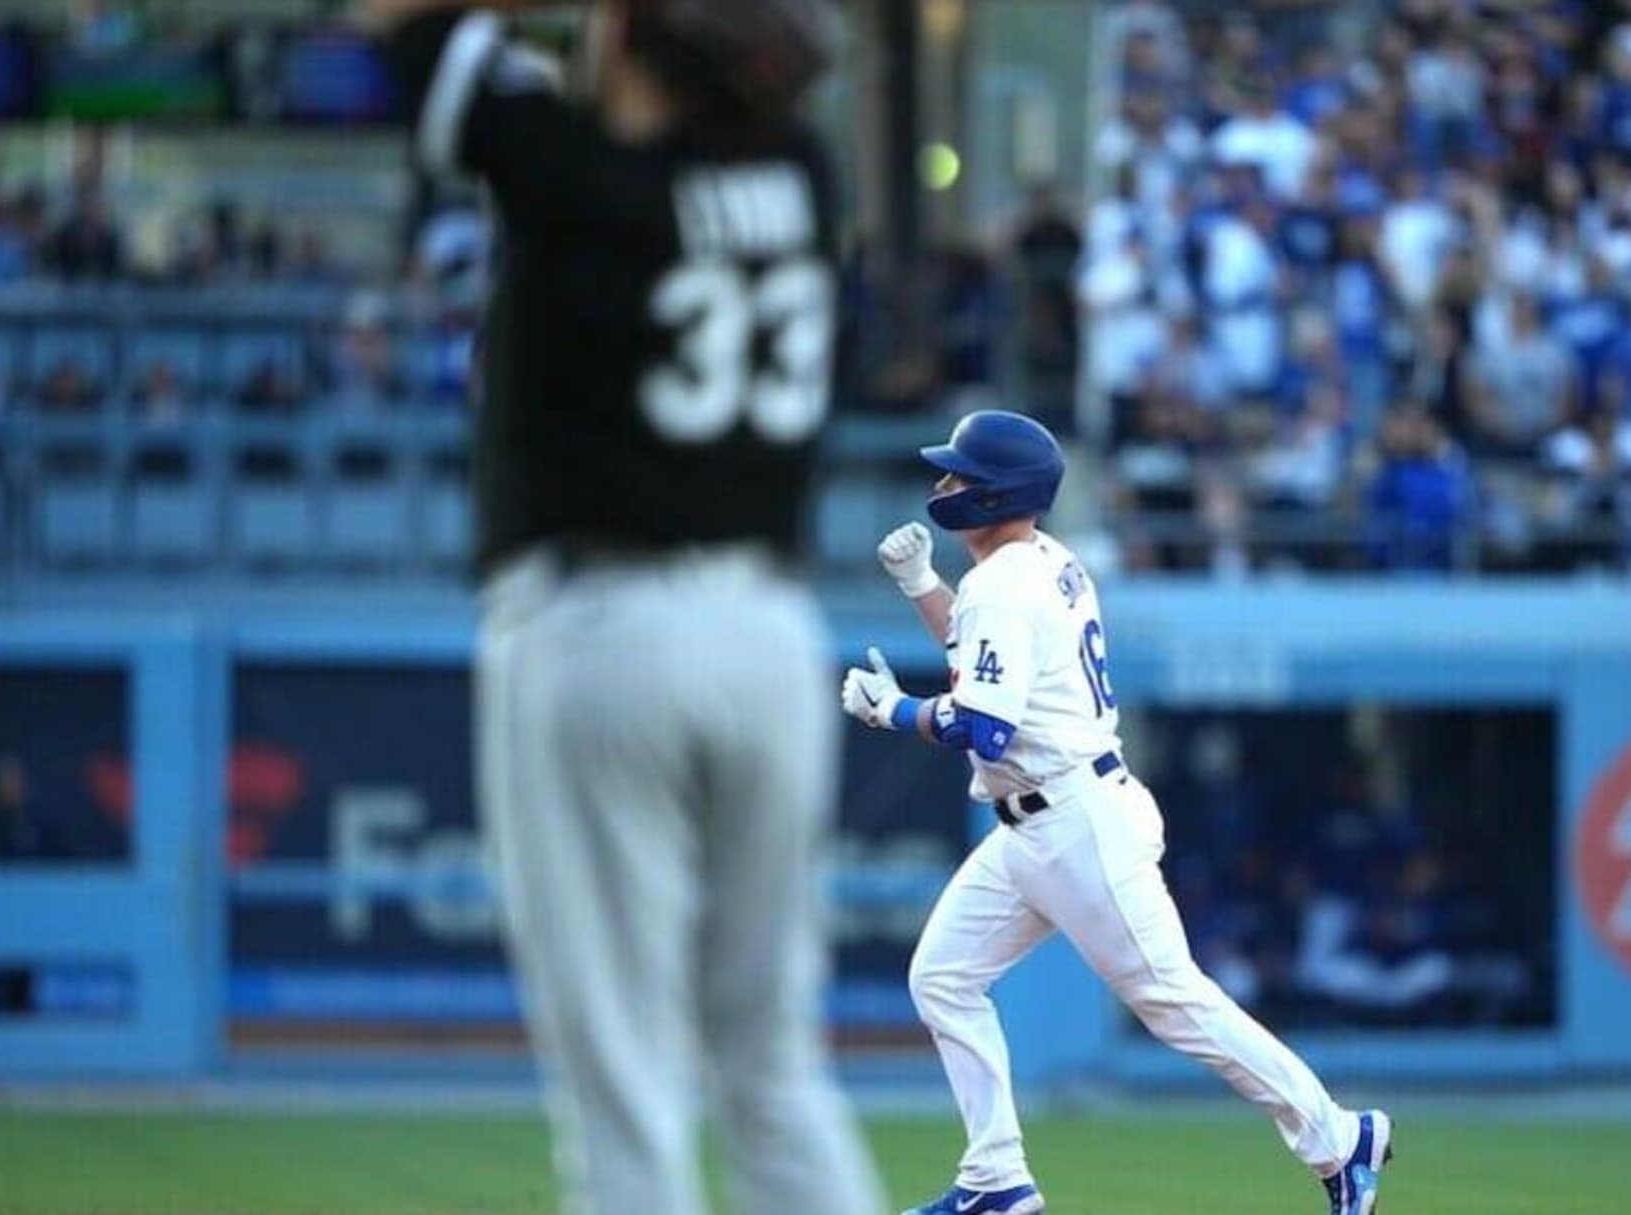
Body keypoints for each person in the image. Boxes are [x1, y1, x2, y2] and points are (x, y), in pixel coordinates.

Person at [366, 3, 883, 1215]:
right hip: (766, 636)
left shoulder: (572, 169)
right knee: (772, 1066)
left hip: (604, 632)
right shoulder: (803, 171)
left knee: (627, 1090)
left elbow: (403, 30)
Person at [841, 410, 1393, 1215]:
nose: (943, 484)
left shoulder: (1004, 580)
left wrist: (892, 710)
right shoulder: (1044, 560)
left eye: (958, 474)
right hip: (1040, 821)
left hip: (1073, 818)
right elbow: (985, 664)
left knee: (1176, 1001)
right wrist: (923, 586)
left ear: (996, 492)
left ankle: (1339, 1137)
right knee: (944, 976)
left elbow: (982, 722)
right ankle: (997, 1178)